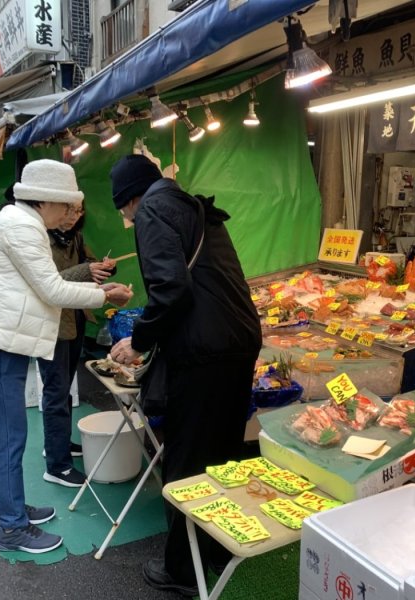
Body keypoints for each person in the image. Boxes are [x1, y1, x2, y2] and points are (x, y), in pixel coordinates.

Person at [0, 159, 133, 554]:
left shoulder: (18, 221)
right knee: (7, 438)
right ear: (48, 200)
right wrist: (106, 294)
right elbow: (52, 290)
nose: (71, 214)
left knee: (1, 436)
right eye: (67, 206)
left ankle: (9, 510)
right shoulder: (22, 227)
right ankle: (12, 528)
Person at [108, 154, 261, 596]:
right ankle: (216, 549)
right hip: (238, 340)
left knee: (189, 458)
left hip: (203, 351)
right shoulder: (191, 205)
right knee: (224, 453)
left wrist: (138, 342)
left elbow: (170, 288)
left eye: (123, 209)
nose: (125, 217)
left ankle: (182, 570)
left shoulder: (152, 210)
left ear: (131, 198)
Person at [37, 201, 116, 487]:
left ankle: (58, 444)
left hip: (76, 319)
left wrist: (107, 269)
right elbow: (45, 283)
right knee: (56, 391)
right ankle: (57, 466)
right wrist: (87, 271)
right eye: (68, 210)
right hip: (53, 326)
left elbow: (90, 267)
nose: (73, 217)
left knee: (64, 387)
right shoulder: (38, 237)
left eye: (79, 211)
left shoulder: (75, 238)